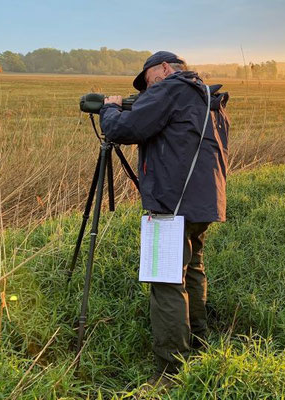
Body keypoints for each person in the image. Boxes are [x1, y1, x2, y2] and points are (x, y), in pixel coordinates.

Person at [98, 51, 229, 389]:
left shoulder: (171, 88)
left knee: (166, 281)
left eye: (148, 81)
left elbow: (126, 128)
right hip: (205, 201)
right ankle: (198, 345)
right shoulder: (209, 98)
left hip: (173, 203)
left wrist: (110, 108)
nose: (147, 90)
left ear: (166, 69)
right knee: (194, 269)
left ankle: (171, 372)